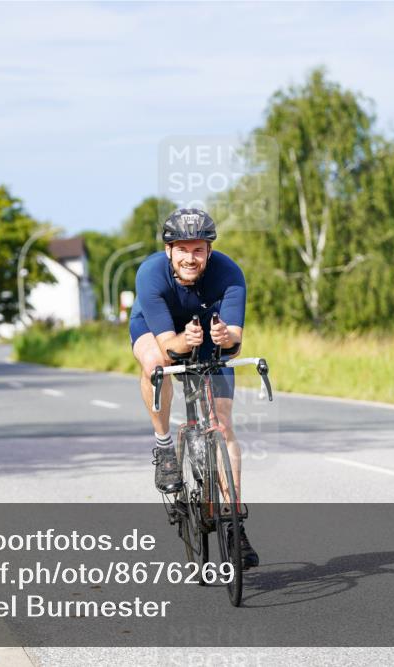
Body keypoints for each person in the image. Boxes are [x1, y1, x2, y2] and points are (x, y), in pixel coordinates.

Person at [128, 208, 258, 569]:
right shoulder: (151, 274)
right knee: (156, 365)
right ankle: (164, 447)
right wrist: (186, 340)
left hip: (206, 337)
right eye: (181, 249)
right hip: (160, 331)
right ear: (168, 250)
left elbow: (235, 342)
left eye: (198, 250)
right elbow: (169, 346)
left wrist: (224, 336)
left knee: (224, 425)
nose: (190, 257)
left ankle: (233, 524)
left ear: (209, 251)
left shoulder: (229, 273)